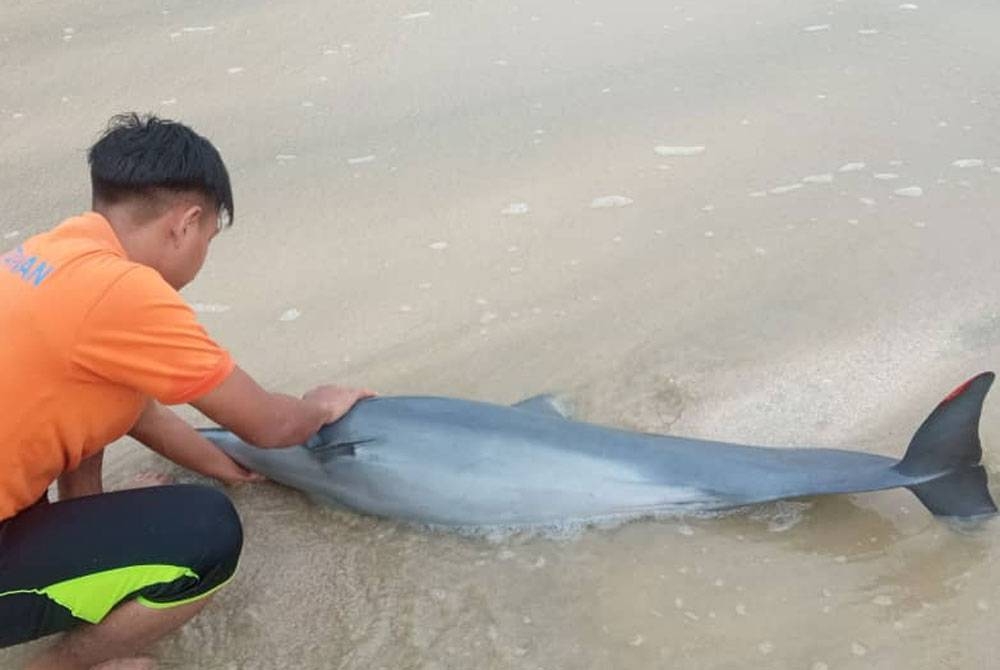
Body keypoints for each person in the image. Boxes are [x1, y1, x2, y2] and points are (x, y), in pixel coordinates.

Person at [0, 113, 375, 670]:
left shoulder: (54, 252)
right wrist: (317, 407)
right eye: (207, 238)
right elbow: (269, 424)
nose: (201, 256)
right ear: (185, 223)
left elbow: (114, 405)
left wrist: (224, 466)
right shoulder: (124, 292)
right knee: (206, 533)